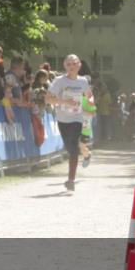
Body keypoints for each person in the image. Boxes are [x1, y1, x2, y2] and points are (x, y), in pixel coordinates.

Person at [46, 54, 93, 191]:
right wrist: (64, 102)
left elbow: (89, 96)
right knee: (70, 148)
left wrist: (91, 107)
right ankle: (85, 153)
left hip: (77, 118)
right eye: (68, 64)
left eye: (74, 64)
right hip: (63, 119)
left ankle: (71, 179)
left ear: (79, 65)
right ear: (64, 66)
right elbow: (48, 99)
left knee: (74, 147)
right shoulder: (59, 81)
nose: (71, 66)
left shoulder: (83, 81)